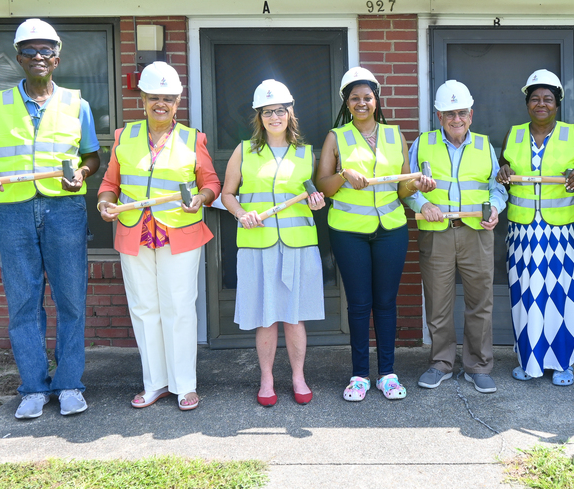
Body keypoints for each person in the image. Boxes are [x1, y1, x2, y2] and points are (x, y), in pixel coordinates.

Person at [0, 18, 101, 420]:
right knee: (24, 301)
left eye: (46, 50)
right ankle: (34, 389)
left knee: (71, 298)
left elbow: (91, 155)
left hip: (65, 210)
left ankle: (70, 384)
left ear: (57, 58)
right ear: (19, 58)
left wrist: (84, 174)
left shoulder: (77, 103)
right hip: (15, 210)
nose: (38, 57)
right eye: (29, 51)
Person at [96, 62, 219, 412]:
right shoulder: (125, 136)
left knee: (179, 308)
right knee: (144, 308)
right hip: (134, 232)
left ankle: (185, 385)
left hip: (178, 232)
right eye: (154, 98)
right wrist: (106, 204)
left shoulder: (193, 138)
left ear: (178, 101)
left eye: (167, 98)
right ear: (143, 99)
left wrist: (203, 198)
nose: (160, 104)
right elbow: (109, 185)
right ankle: (155, 383)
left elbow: (210, 182)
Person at [316, 67, 429, 402]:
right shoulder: (336, 137)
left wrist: (417, 183)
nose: (362, 103)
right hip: (349, 232)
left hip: (391, 229)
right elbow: (323, 185)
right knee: (360, 304)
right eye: (355, 98)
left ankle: (388, 374)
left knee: (385, 302)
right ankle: (360, 375)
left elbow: (402, 188)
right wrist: (342, 174)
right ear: (347, 103)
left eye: (367, 97)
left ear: (376, 99)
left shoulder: (396, 136)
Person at [221, 80, 326, 407]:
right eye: (268, 111)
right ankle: (266, 379)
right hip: (258, 243)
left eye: (280, 110)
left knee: (294, 317)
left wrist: (317, 203)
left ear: (290, 112)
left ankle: (298, 377)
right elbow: (227, 194)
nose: (275, 116)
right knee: (266, 317)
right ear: (259, 116)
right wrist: (241, 213)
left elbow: (314, 196)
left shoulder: (306, 153)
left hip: (298, 244)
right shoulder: (244, 151)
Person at [407, 80, 508, 393]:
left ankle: (478, 366)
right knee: (438, 303)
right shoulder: (422, 144)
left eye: (461, 112)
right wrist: (424, 204)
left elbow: (496, 187)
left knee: (480, 302)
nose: (456, 119)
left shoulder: (483, 145)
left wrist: (495, 208)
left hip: (476, 233)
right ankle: (441, 363)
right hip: (437, 234)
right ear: (439, 116)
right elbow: (407, 188)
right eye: (449, 113)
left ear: (471, 114)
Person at [495, 69, 574, 386]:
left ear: (557, 103)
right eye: (535, 98)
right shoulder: (514, 134)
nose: (541, 103)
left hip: (560, 234)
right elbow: (502, 172)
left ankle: (563, 362)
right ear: (527, 104)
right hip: (522, 234)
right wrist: (504, 170)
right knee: (525, 296)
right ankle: (529, 360)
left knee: (562, 296)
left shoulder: (572, 134)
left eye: (548, 98)